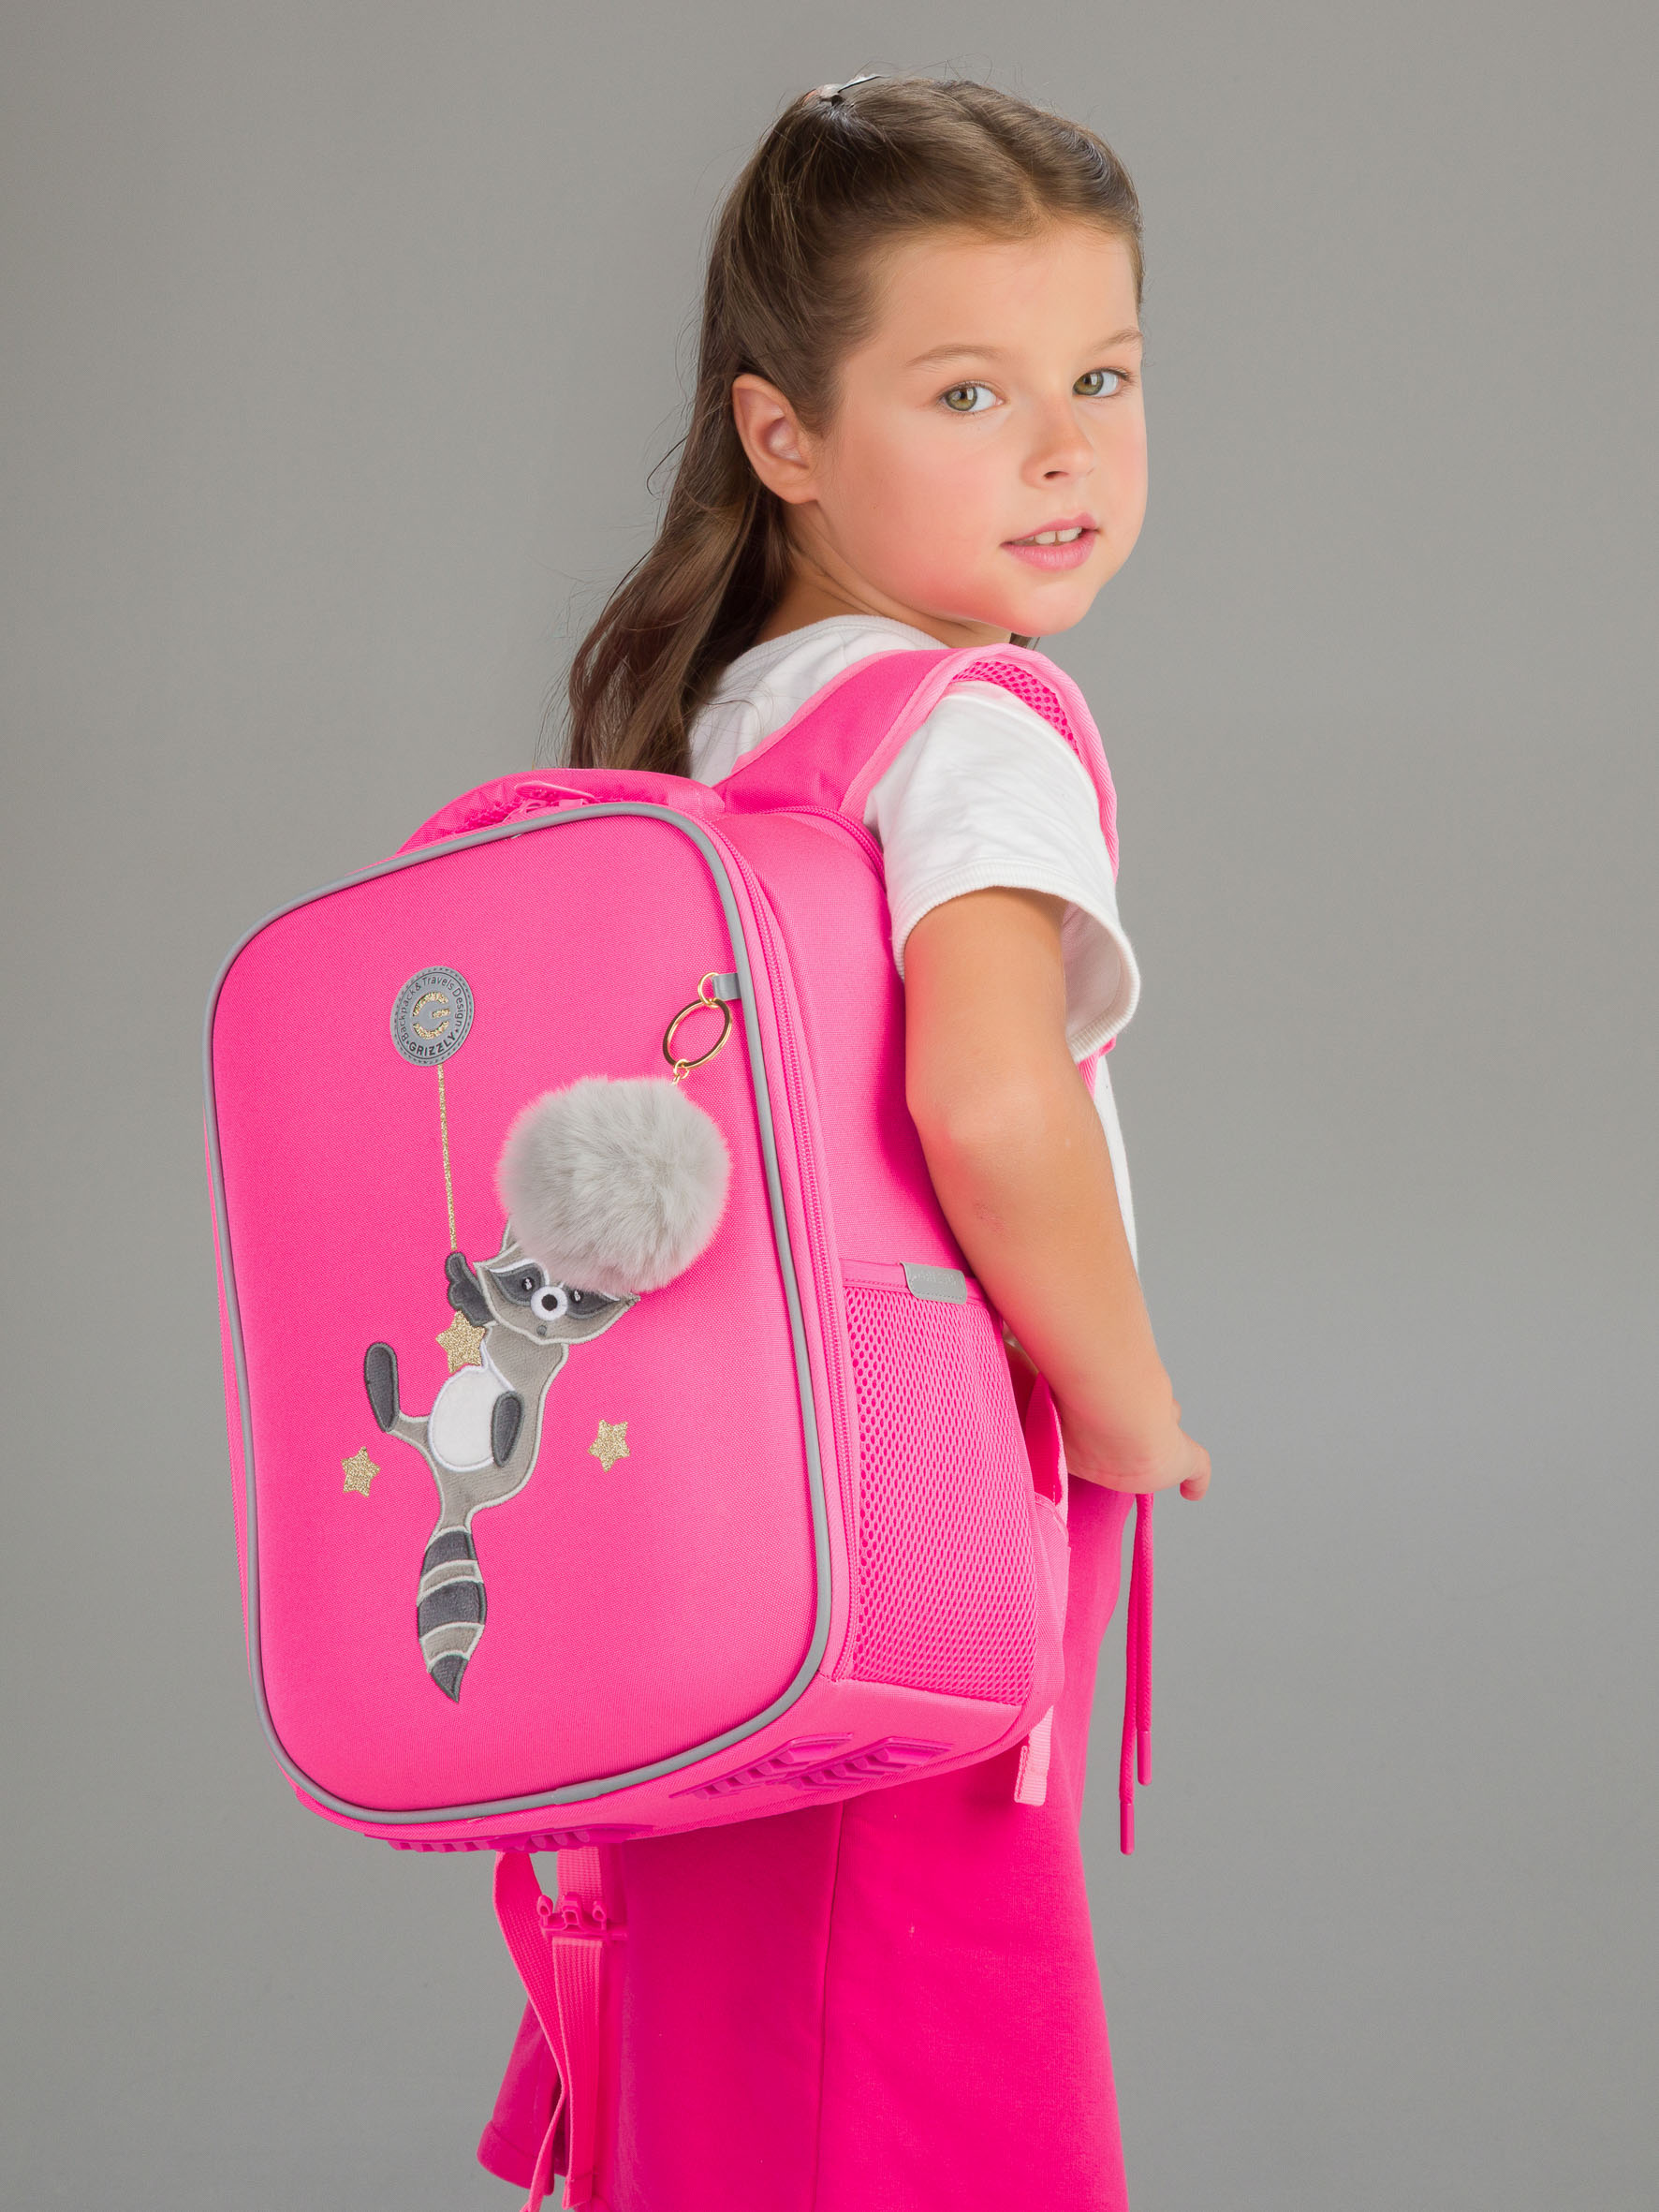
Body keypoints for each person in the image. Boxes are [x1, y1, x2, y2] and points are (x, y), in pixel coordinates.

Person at [480, 74, 1211, 2212]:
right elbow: (985, 1099)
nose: (1064, 448)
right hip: (916, 1514)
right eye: (971, 390)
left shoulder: (726, 717)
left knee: (731, 2081)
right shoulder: (973, 731)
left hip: (702, 1529)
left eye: (1102, 377)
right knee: (920, 2082)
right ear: (782, 435)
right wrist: (1124, 1400)